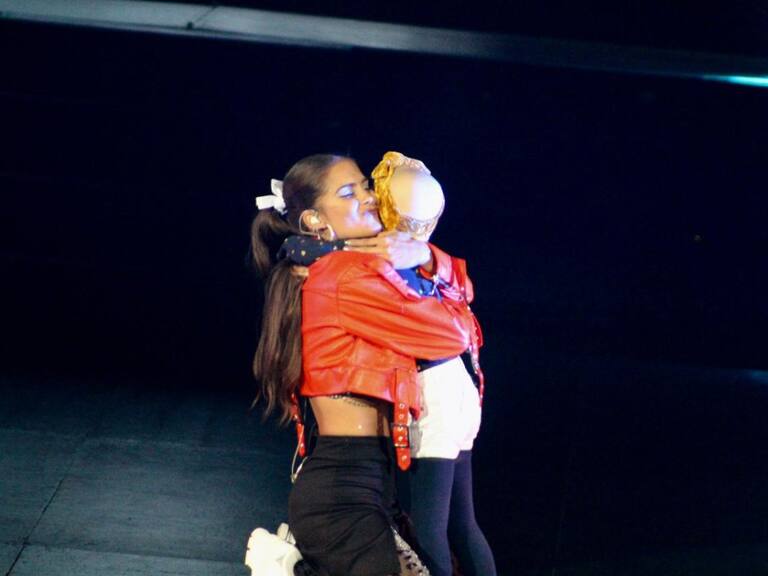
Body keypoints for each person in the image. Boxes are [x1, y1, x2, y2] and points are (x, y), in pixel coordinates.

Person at [250, 153, 476, 576]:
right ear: (315, 220)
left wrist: (423, 255)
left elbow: (460, 295)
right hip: (343, 494)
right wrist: (421, 257)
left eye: (365, 186)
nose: (369, 198)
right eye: (348, 193)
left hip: (365, 485)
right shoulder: (344, 275)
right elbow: (454, 335)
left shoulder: (342, 266)